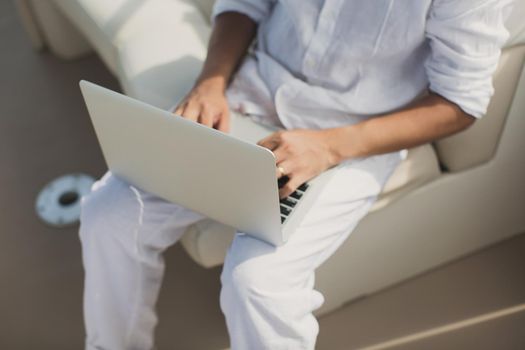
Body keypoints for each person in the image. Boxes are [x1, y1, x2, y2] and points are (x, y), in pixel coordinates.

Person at [79, 0, 513, 349]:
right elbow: (245, 4)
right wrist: (211, 81)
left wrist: (330, 146)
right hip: (252, 93)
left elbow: (461, 102)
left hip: (353, 139)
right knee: (108, 211)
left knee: (257, 282)